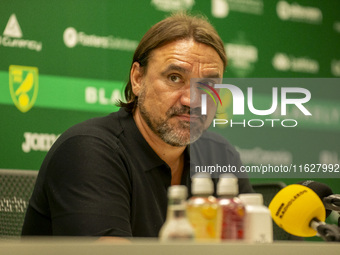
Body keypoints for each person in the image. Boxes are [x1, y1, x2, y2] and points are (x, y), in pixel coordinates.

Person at [21, 12, 253, 238]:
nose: (192, 100)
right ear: (137, 79)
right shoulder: (88, 150)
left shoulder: (220, 156)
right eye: (174, 78)